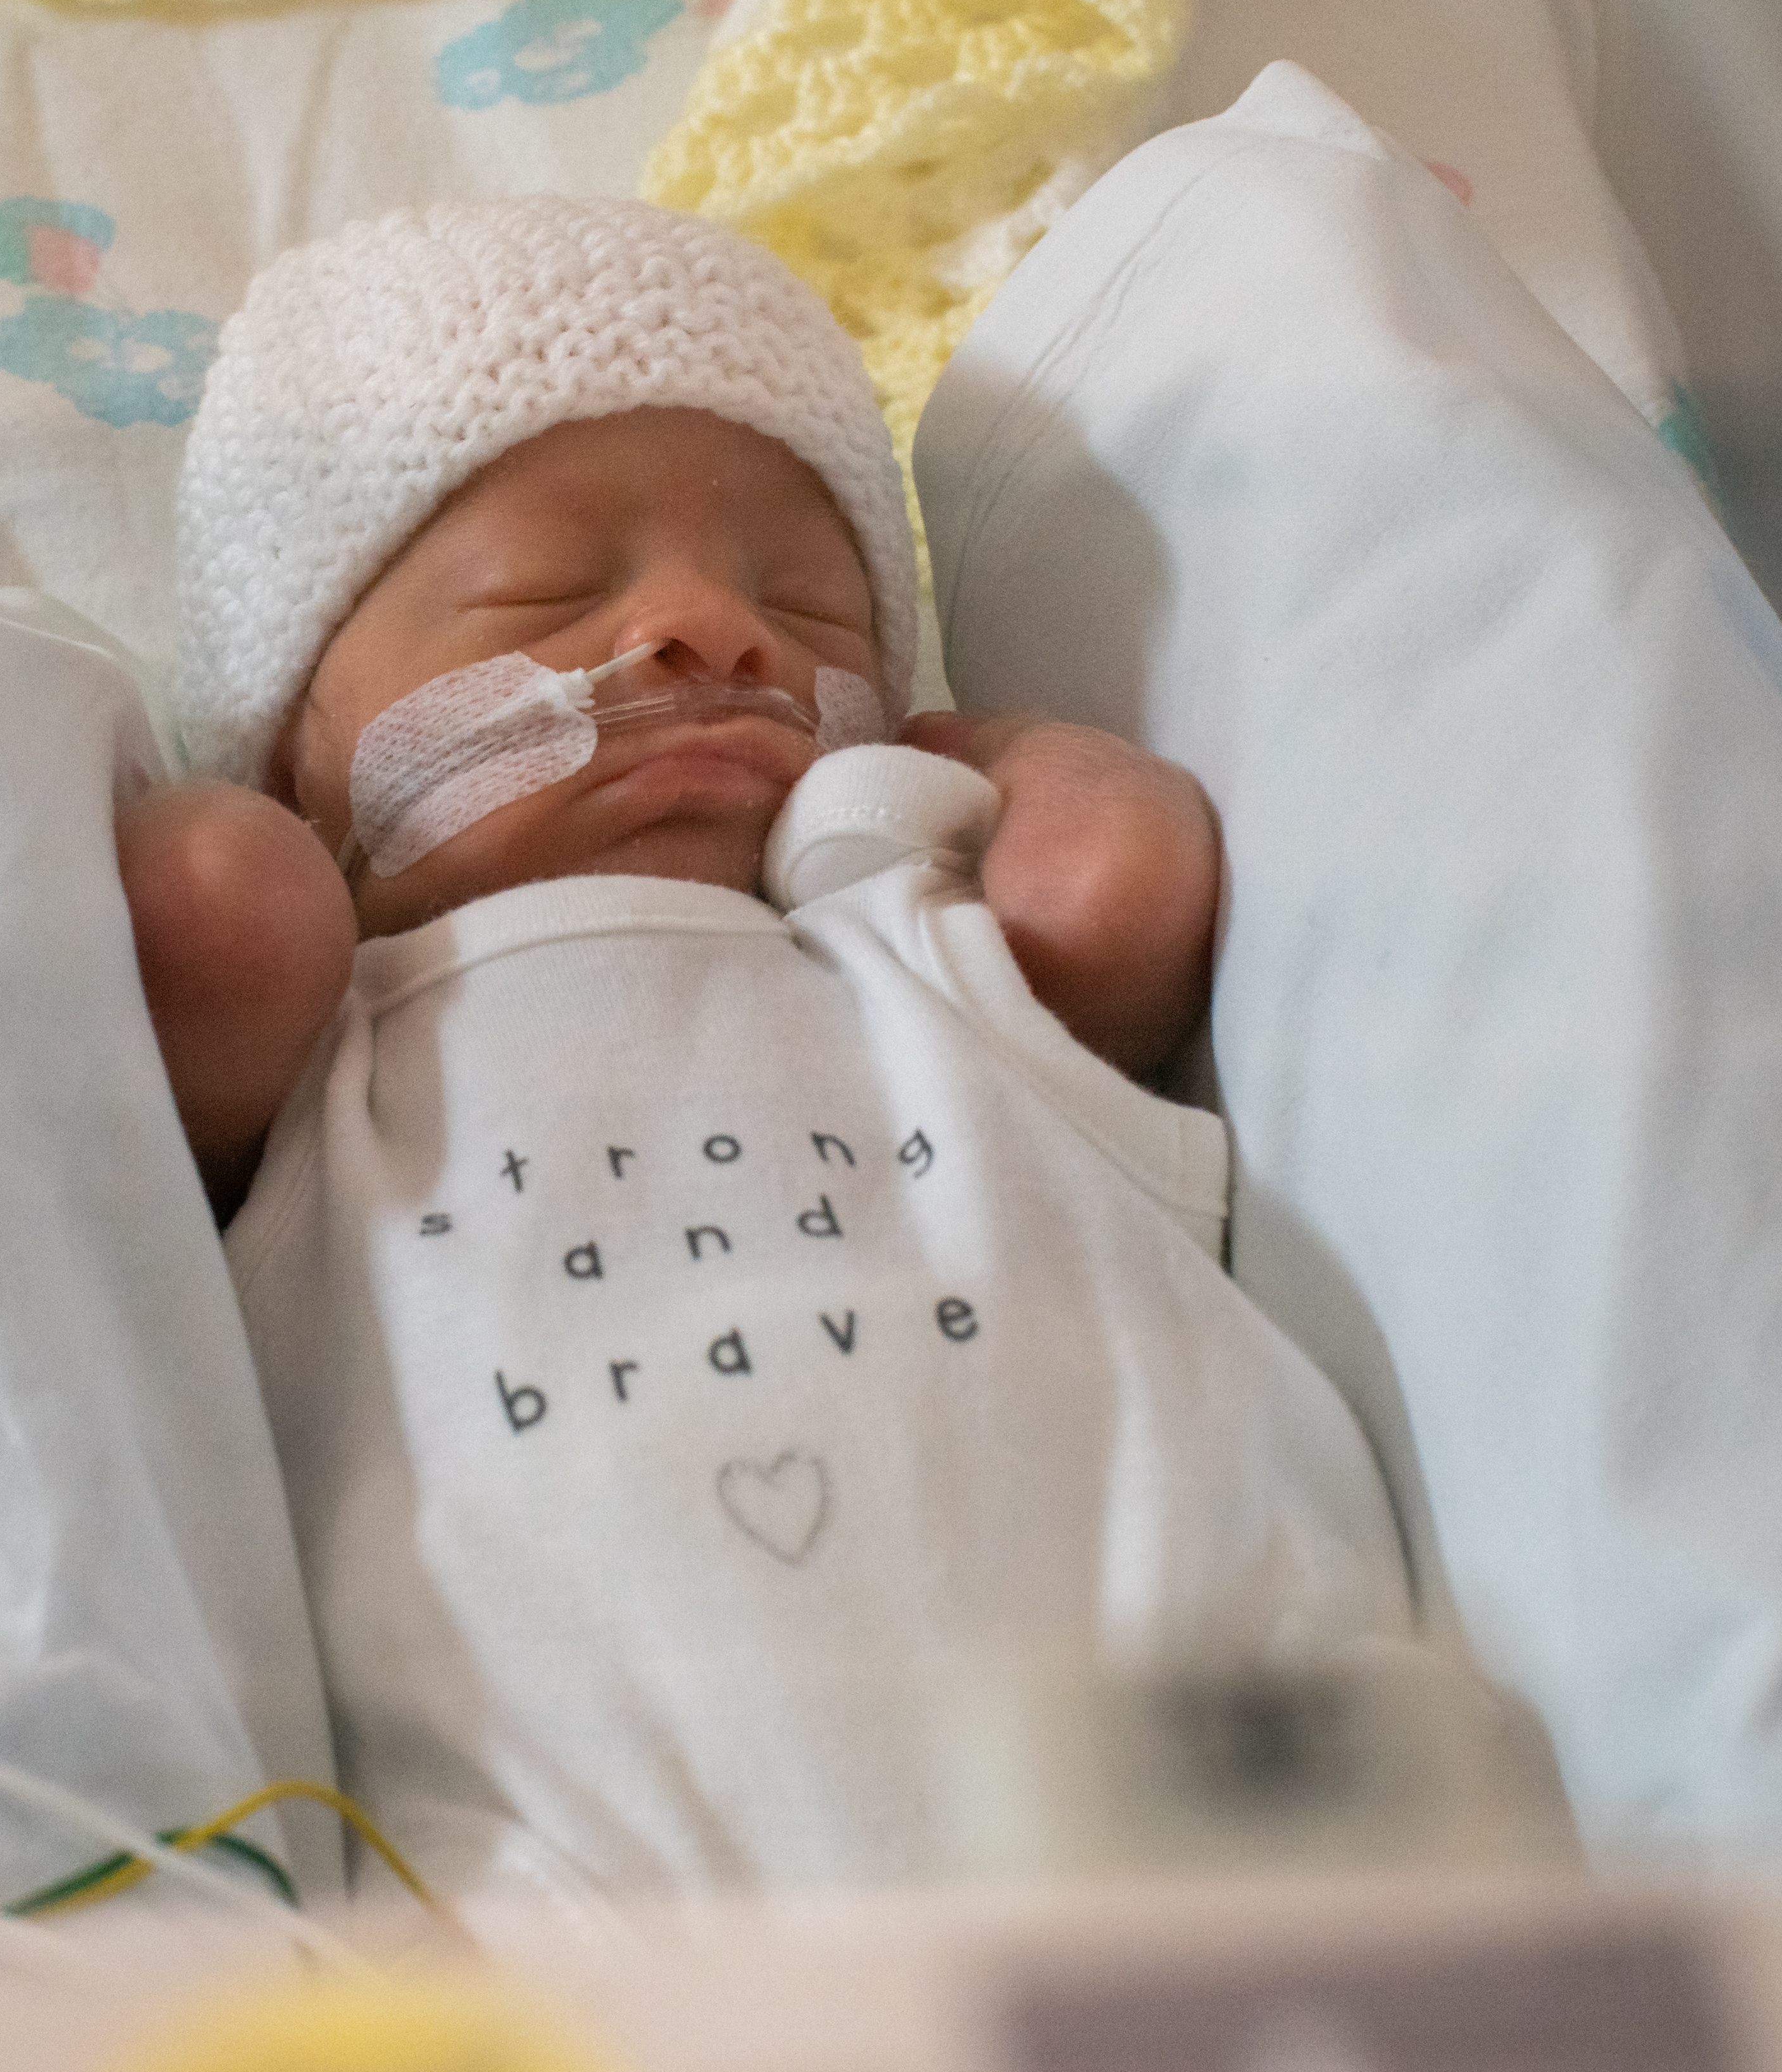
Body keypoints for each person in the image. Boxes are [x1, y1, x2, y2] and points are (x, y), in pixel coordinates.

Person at [115, 195, 1420, 1904]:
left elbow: (1118, 882)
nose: (711, 635)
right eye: (545, 592)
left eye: (809, 609)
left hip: (1179, 1794)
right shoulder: (321, 1055)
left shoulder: (899, 938)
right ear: (294, 739)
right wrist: (278, 815)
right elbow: (206, 906)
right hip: (592, 1900)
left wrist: (961, 747)